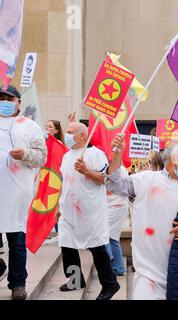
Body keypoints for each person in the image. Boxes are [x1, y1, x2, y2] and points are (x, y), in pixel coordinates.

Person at [106, 136, 178, 299]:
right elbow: (115, 184)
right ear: (174, 159)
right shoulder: (147, 180)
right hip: (148, 275)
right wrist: (117, 156)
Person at [58, 122, 120, 300]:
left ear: (82, 135)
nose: (67, 135)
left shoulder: (95, 154)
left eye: (70, 132)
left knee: (97, 247)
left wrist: (86, 170)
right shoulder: (67, 156)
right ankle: (75, 279)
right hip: (69, 210)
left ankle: (110, 284)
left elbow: (105, 179)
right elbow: (66, 182)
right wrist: (58, 207)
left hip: (90, 211)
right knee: (67, 244)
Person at [0, 85, 47, 300]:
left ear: (18, 101)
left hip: (17, 193)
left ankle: (18, 284)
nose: (5, 102)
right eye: (1, 98)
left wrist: (26, 154)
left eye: (9, 98)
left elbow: (42, 156)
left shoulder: (30, 126)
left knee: (16, 240)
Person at [105, 166, 129, 276]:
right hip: (113, 205)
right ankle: (118, 267)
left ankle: (108, 259)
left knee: (104, 234)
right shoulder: (114, 168)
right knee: (112, 237)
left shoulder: (118, 169)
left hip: (116, 205)